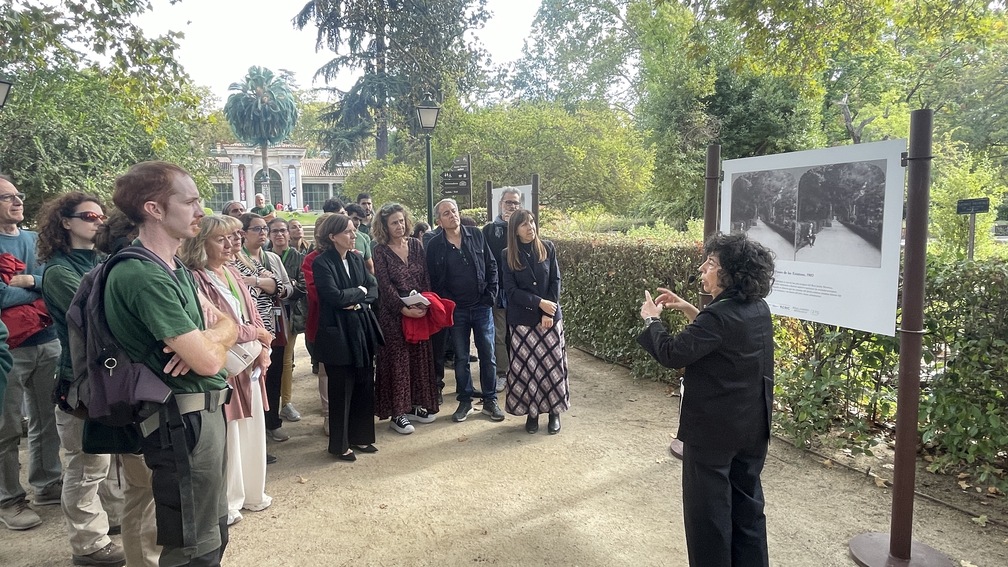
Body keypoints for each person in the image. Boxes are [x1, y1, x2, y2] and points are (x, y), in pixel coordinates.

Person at [106, 161, 237, 566]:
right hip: (179, 425)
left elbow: (225, 323)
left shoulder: (174, 266)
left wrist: (218, 335)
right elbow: (207, 361)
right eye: (191, 200)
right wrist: (211, 344)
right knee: (192, 550)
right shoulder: (143, 276)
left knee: (212, 535)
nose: (200, 210)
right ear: (155, 209)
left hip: (200, 418)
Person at [637, 232, 775, 567]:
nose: (703, 268)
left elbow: (672, 352)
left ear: (730, 274)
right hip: (751, 428)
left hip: (713, 434)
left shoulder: (718, 316)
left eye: (711, 263)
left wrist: (651, 319)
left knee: (708, 521)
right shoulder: (757, 308)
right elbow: (717, 339)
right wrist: (688, 308)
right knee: (748, 513)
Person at [36, 193, 127, 565]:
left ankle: (112, 520)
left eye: (101, 215)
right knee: (85, 463)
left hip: (104, 376)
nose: (98, 220)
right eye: (89, 215)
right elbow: (99, 314)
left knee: (108, 456)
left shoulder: (101, 260)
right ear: (66, 222)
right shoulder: (59, 271)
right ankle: (88, 543)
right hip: (79, 380)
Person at [181, 215, 273, 528]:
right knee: (230, 432)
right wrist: (256, 336)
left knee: (253, 427)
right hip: (225, 363)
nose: (229, 244)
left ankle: (252, 493)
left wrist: (265, 347)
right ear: (201, 242)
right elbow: (217, 326)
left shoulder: (231, 271)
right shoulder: (195, 278)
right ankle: (230, 501)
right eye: (221, 239)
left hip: (249, 362)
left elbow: (253, 314)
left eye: (232, 237)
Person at [93, 209, 161, 567]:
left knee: (146, 488)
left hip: (135, 393)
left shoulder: (109, 272)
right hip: (131, 397)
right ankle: (144, 561)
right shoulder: (119, 275)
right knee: (144, 490)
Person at [0, 176, 63, 531]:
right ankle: (9, 498)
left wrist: (30, 282)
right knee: (6, 427)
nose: (16, 201)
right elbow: (1, 298)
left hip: (47, 340)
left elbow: (52, 281)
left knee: (46, 419)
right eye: (6, 197)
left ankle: (46, 484)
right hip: (6, 349)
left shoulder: (35, 241)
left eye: (17, 195)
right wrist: (38, 288)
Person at [310, 214, 383, 460]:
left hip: (361, 327)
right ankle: (340, 445)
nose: (354, 236)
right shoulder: (322, 263)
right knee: (341, 389)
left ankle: (361, 437)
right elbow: (333, 296)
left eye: (354, 230)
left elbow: (373, 288)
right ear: (332, 237)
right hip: (337, 333)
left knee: (364, 383)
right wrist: (359, 293)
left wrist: (357, 296)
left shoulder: (356, 259)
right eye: (348, 231)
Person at [425, 199, 503, 423]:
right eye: (446, 213)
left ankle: (490, 400)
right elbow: (432, 279)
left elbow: (491, 265)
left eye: (454, 211)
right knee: (461, 358)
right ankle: (465, 400)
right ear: (439, 221)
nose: (453, 215)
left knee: (488, 355)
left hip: (481, 306)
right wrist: (445, 303)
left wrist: (491, 295)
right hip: (456, 311)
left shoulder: (476, 235)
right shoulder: (434, 246)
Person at [371, 203, 439, 435]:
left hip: (419, 310)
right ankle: (397, 413)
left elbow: (425, 277)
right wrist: (402, 309)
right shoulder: (380, 250)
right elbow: (384, 285)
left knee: (418, 357)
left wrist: (425, 303)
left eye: (401, 221)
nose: (399, 226)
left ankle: (414, 405)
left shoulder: (417, 245)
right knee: (397, 361)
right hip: (393, 315)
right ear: (384, 227)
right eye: (393, 223)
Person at [501, 209, 569, 435]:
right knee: (528, 370)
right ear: (515, 231)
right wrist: (539, 303)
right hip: (522, 321)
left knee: (552, 368)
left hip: (549, 320)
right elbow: (511, 291)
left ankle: (554, 413)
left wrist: (548, 311)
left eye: (531, 222)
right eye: (524, 224)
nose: (530, 227)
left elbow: (555, 281)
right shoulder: (507, 254)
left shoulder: (548, 247)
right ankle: (532, 413)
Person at [236, 213, 293, 444]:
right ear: (244, 233)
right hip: (249, 327)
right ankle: (257, 429)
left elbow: (286, 288)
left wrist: (263, 283)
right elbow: (245, 289)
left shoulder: (272, 259)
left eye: (264, 229)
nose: (262, 234)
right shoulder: (235, 259)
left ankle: (273, 422)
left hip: (275, 324)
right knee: (254, 377)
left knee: (275, 372)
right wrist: (267, 284)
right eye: (256, 229)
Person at [266, 217, 307, 424]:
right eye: (275, 231)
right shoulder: (263, 256)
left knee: (286, 360)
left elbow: (302, 286)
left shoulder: (298, 257)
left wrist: (282, 288)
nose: (279, 234)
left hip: (289, 315)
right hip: (265, 315)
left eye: (283, 230)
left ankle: (286, 403)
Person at [483, 188, 522, 394]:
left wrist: (513, 228)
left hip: (520, 291)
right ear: (501, 204)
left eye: (515, 203)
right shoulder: (489, 230)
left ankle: (520, 371)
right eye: (509, 203)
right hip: (498, 291)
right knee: (499, 333)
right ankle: (502, 372)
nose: (512, 207)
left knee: (519, 332)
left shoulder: (523, 228)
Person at [301, 214, 333, 434]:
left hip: (353, 322)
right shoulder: (311, 259)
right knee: (326, 371)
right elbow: (316, 292)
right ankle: (329, 415)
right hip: (323, 321)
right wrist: (345, 297)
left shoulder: (355, 255)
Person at [345, 203, 376, 273]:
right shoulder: (338, 237)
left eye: (360, 220)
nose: (358, 223)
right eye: (355, 219)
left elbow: (370, 267)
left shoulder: (364, 238)